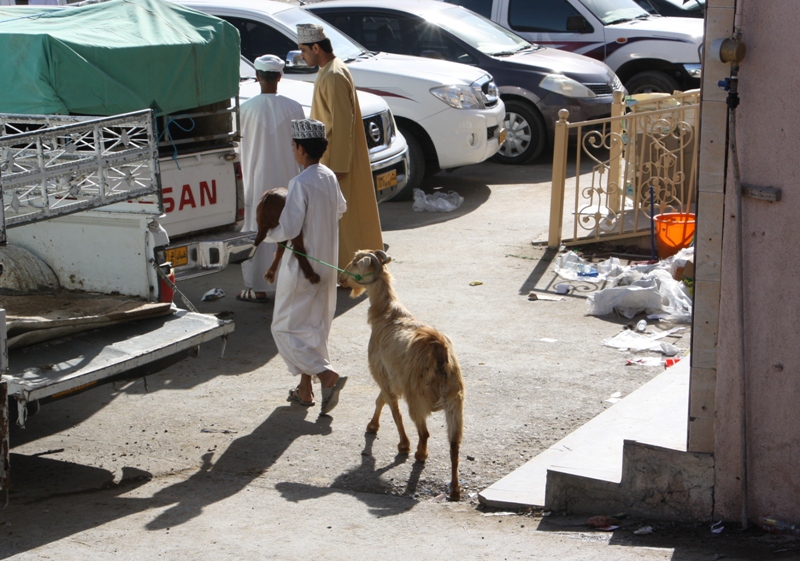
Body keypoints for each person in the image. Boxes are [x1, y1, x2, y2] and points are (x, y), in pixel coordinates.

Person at [257, 118, 348, 415]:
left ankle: (326, 375)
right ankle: (305, 391)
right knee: (312, 329)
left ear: (300, 148)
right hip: (327, 265)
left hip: (302, 268)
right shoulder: (328, 176)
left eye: (294, 147)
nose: (293, 151)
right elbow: (341, 209)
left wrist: (266, 235)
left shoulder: (300, 182)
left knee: (283, 328)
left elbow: (289, 226)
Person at [296, 23, 384, 269]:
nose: (301, 56)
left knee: (345, 220)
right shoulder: (329, 70)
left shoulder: (334, 75)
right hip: (330, 157)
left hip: (337, 160)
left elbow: (342, 124)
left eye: (303, 50)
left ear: (316, 47)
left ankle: (352, 271)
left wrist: (339, 165)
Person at [237, 54, 305, 303]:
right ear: (280, 76)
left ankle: (258, 286)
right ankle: (288, 285)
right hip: (288, 179)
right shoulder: (294, 107)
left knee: (257, 227)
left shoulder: (245, 109)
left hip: (255, 180)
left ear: (257, 76)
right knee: (287, 225)